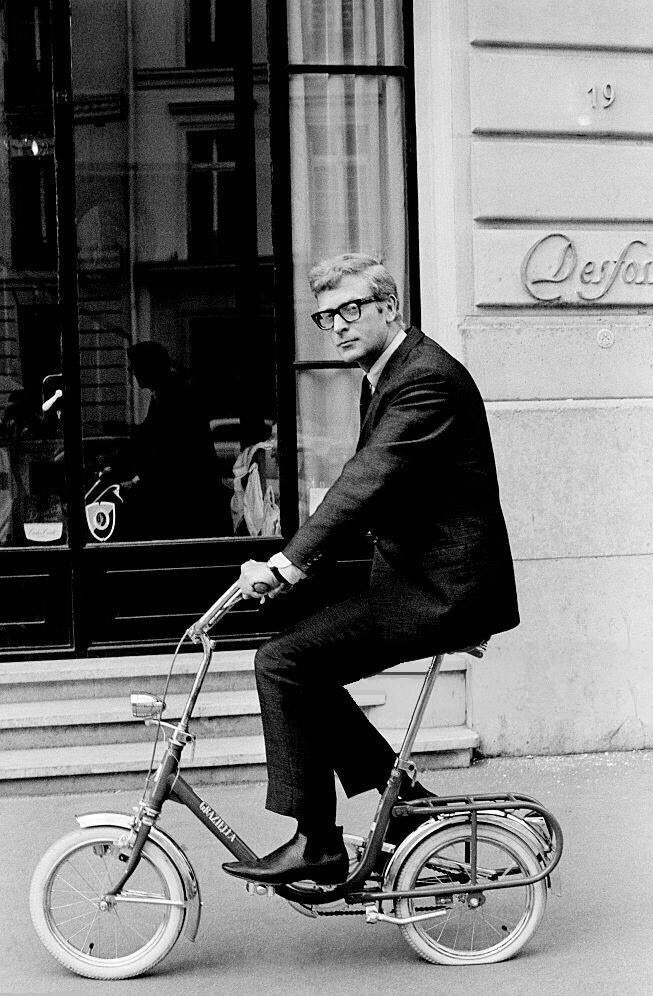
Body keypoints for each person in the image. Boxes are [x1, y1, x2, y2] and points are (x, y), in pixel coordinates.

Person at [223, 253, 519, 886]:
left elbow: (369, 480)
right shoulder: (388, 372)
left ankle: (318, 842)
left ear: (389, 307)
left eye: (351, 310)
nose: (338, 326)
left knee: (282, 662)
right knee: (299, 658)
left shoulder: (424, 378)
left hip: (442, 591)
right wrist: (298, 574)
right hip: (414, 575)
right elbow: (379, 492)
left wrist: (288, 562)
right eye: (327, 316)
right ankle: (401, 799)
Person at [113, 342, 227, 538]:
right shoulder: (165, 391)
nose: (130, 370)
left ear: (148, 366)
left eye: (134, 365)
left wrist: (132, 474)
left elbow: (166, 448)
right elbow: (146, 438)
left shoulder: (174, 395)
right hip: (183, 494)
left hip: (187, 498)